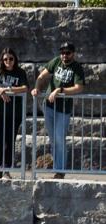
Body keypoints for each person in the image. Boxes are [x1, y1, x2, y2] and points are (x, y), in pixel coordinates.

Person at [32, 42, 85, 180]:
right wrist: (37, 88)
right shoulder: (56, 61)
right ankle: (57, 168)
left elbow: (79, 87)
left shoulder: (77, 67)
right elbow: (41, 76)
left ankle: (60, 171)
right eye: (62, 52)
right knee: (53, 139)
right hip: (49, 106)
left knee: (60, 138)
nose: (64, 55)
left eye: (67, 53)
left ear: (73, 53)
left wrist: (60, 90)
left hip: (64, 109)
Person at [0, 48, 29, 180]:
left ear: (15, 59)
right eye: (5, 59)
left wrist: (9, 89)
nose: (8, 61)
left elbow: (25, 88)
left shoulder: (20, 72)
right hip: (0, 111)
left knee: (10, 142)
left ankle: (7, 170)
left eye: (11, 59)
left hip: (14, 112)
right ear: (2, 60)